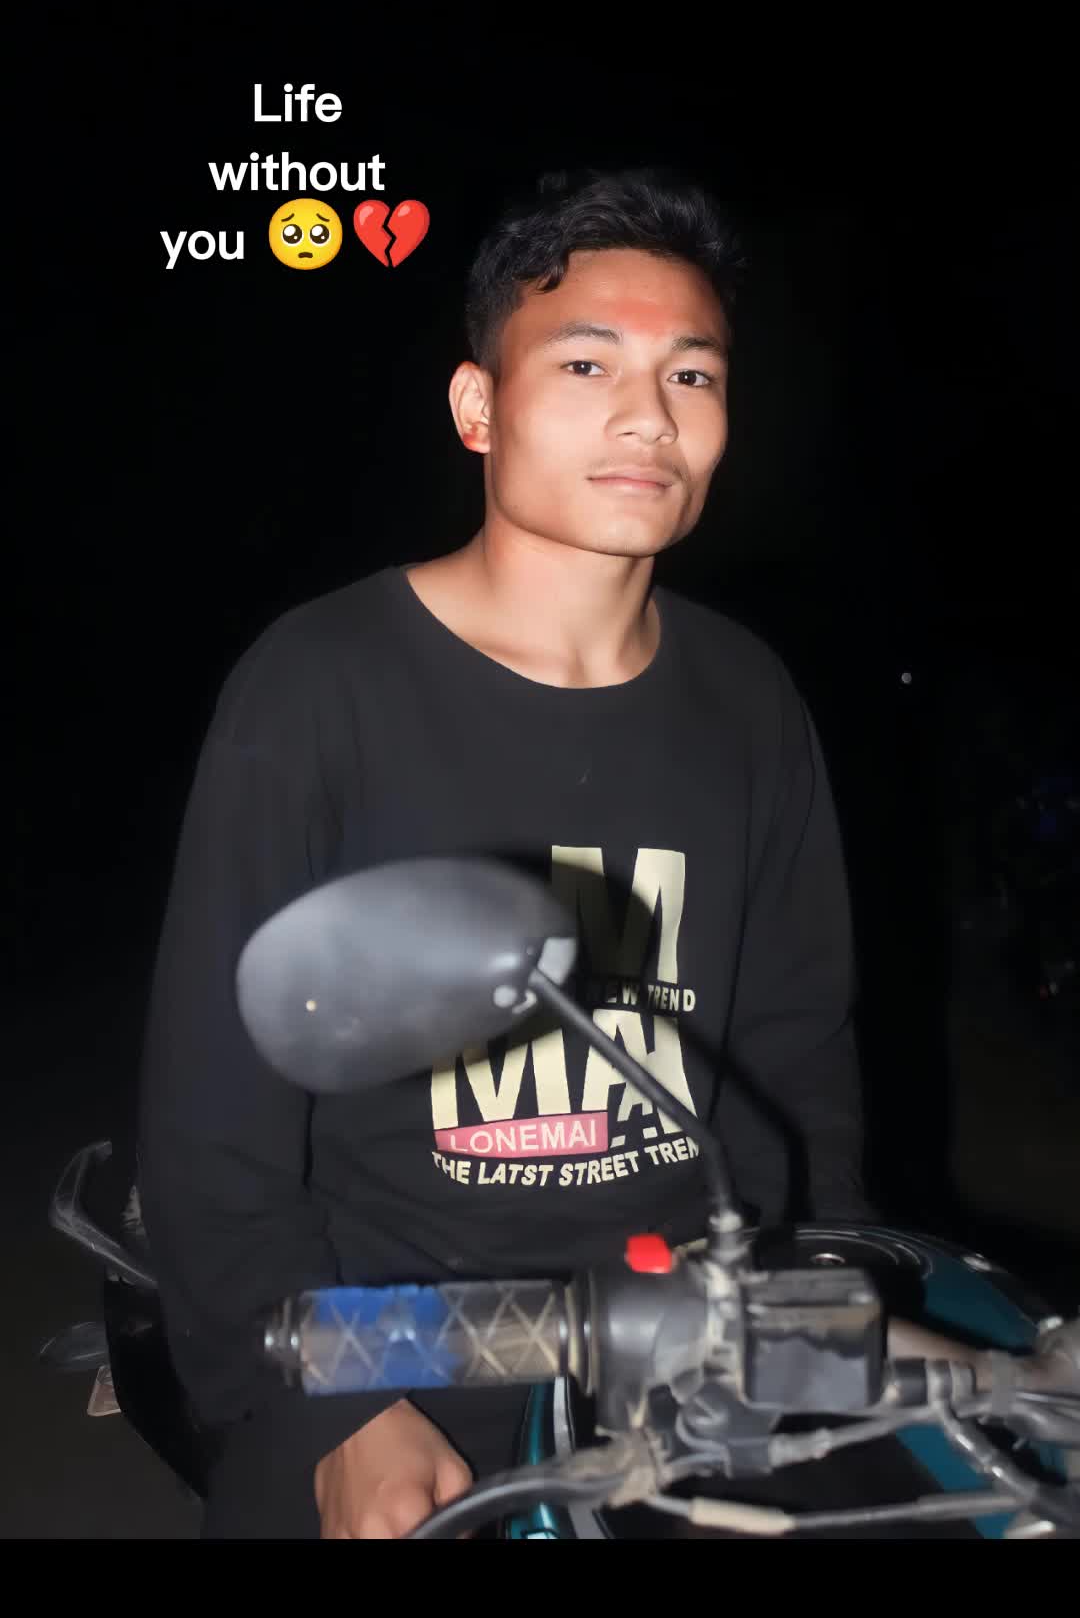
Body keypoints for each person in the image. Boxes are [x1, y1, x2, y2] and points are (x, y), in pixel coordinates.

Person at [138, 165, 873, 1541]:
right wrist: (332, 1413)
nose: (649, 416)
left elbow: (797, 1056)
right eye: (587, 364)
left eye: (693, 375)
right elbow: (211, 1121)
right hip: (389, 1335)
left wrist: (813, 1289)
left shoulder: (750, 697)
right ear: (479, 407)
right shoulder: (321, 683)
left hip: (680, 1330)